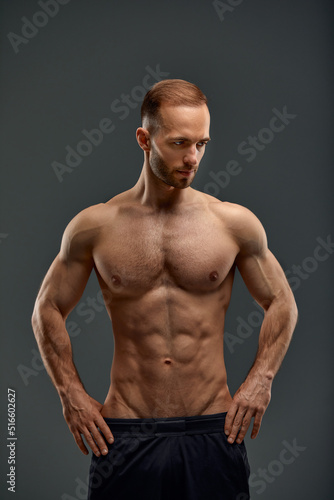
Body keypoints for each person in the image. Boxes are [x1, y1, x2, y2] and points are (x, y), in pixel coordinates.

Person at [32, 79, 298, 500]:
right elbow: (47, 308)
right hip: (126, 433)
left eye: (202, 144)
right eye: (179, 143)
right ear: (144, 138)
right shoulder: (95, 226)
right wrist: (70, 393)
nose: (192, 158)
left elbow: (281, 301)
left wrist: (261, 379)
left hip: (213, 431)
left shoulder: (233, 224)